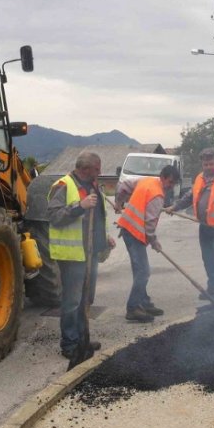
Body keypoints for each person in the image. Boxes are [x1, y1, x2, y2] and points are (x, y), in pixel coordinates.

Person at [47, 151, 115, 360]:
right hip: (73, 254)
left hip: (90, 251)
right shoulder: (64, 185)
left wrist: (104, 237)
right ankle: (69, 343)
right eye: (97, 169)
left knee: (86, 299)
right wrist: (79, 206)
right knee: (73, 301)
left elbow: (97, 217)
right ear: (85, 169)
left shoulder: (91, 184)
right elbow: (53, 216)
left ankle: (82, 338)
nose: (100, 173)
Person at [165, 147, 214, 304]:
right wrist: (175, 207)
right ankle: (212, 287)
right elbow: (189, 196)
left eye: (211, 164)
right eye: (205, 165)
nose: (208, 167)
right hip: (204, 226)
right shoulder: (200, 178)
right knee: (208, 258)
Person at [114, 165, 180, 322]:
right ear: (163, 177)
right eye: (170, 182)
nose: (170, 186)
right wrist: (154, 241)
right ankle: (133, 308)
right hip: (134, 233)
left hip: (129, 230)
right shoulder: (157, 195)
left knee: (140, 270)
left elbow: (123, 186)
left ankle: (144, 302)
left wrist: (119, 202)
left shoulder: (146, 181)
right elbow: (149, 223)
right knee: (143, 272)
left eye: (173, 184)